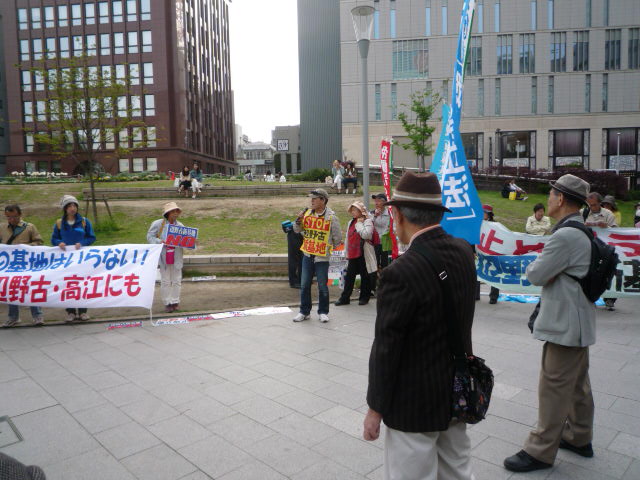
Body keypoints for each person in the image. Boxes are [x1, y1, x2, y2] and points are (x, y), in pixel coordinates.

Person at [363, 172, 477, 480]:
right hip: (457, 390)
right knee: (458, 471)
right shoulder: (464, 252)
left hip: (413, 401)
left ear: (398, 214)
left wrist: (375, 408)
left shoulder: (400, 272)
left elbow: (386, 348)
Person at [504, 174, 595, 473]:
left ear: (561, 198)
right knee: (578, 384)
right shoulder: (580, 230)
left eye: (552, 194)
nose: (549, 198)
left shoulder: (565, 235)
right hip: (577, 320)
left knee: (553, 386)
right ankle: (579, 436)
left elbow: (536, 274)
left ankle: (540, 450)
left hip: (564, 324)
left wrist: (538, 264)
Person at [292, 188, 342, 323]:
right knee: (304, 285)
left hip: (322, 257)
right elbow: (296, 230)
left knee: (322, 286)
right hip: (308, 255)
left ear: (323, 200)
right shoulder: (307, 214)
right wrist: (298, 220)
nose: (312, 201)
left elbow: (337, 239)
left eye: (315, 199)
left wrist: (327, 248)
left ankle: (323, 312)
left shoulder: (331, 217)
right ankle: (304, 311)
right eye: (311, 199)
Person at [51, 195, 96, 322]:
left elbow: (91, 237)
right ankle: (70, 312)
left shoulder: (84, 222)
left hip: (82, 259)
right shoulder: (59, 223)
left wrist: (82, 243)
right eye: (69, 206)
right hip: (66, 260)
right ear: (65, 208)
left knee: (82, 283)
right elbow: (54, 239)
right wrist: (59, 243)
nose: (72, 208)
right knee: (67, 284)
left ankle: (82, 312)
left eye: (74, 205)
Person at [1, 204, 44, 327]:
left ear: (20, 215)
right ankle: (13, 317)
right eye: (8, 217)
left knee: (30, 287)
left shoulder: (29, 227)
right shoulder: (2, 228)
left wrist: (26, 247)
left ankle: (37, 315)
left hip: (27, 263)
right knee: (11, 289)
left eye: (14, 217)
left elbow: (39, 242)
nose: (11, 219)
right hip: (10, 265)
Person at [147, 202, 185, 313]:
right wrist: (160, 242)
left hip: (176, 256)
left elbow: (186, 240)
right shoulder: (158, 224)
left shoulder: (180, 226)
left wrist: (191, 242)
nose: (175, 214)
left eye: (176, 211)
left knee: (177, 280)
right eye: (173, 211)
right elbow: (149, 236)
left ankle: (175, 301)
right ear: (167, 213)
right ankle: (167, 303)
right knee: (165, 281)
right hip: (163, 256)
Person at [335, 201, 375, 307]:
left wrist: (359, 224)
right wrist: (346, 252)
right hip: (352, 253)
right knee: (349, 276)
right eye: (352, 210)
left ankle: (364, 297)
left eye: (355, 210)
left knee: (365, 276)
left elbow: (366, 235)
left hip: (363, 253)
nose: (352, 212)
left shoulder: (367, 221)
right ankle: (345, 298)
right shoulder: (351, 222)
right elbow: (348, 238)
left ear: (361, 211)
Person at [370, 193, 391, 293]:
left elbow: (393, 225)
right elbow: (369, 225)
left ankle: (385, 286)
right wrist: (374, 216)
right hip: (375, 242)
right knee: (375, 264)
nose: (376, 203)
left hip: (386, 242)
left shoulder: (390, 213)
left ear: (384, 202)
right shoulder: (371, 213)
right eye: (375, 201)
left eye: (378, 201)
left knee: (385, 265)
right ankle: (373, 287)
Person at [483, 204, 501, 304]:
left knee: (494, 273)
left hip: (492, 251)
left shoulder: (496, 225)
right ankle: (475, 295)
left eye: (484, 213)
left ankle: (493, 297)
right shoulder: (478, 223)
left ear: (489, 214)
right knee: (477, 272)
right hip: (480, 251)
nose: (483, 214)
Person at [282, 219, 303, 288]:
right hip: (295, 233)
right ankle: (294, 282)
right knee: (294, 259)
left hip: (301, 233)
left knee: (302, 258)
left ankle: (301, 280)